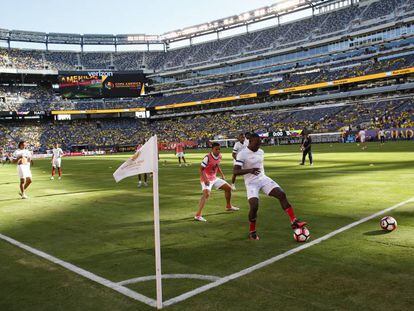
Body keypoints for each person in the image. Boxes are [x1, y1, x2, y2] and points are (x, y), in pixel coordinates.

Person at [233, 133, 307, 240]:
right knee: (254, 206)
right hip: (251, 183)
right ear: (250, 142)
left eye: (260, 144)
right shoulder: (242, 154)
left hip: (263, 178)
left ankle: (294, 221)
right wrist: (250, 170)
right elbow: (235, 171)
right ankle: (252, 231)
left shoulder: (261, 152)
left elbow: (260, 167)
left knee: (281, 194)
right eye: (257, 143)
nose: (259, 146)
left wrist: (257, 172)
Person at [195, 142, 239, 222]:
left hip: (214, 178)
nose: (218, 151)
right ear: (212, 149)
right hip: (206, 178)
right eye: (216, 149)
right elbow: (201, 169)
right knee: (206, 194)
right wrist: (205, 179)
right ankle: (198, 215)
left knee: (228, 188)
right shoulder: (207, 157)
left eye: (219, 149)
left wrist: (221, 174)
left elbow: (217, 165)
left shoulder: (219, 156)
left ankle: (228, 206)